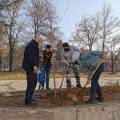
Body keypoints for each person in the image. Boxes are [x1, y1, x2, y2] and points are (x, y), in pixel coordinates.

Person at [22, 32, 43, 106]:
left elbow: (34, 56)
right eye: (40, 40)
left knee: (33, 83)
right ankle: (28, 101)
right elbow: (31, 56)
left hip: (31, 67)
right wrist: (34, 66)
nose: (41, 42)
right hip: (30, 67)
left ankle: (30, 97)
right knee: (31, 83)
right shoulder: (32, 45)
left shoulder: (34, 45)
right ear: (37, 38)